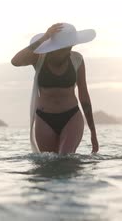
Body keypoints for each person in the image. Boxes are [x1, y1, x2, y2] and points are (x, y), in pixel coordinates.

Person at [11, 23, 99, 154]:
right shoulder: (38, 58)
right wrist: (44, 38)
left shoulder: (77, 59)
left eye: (69, 46)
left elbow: (84, 96)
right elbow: (16, 61)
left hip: (71, 116)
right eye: (63, 48)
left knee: (65, 157)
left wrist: (93, 132)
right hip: (44, 118)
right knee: (48, 163)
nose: (68, 50)